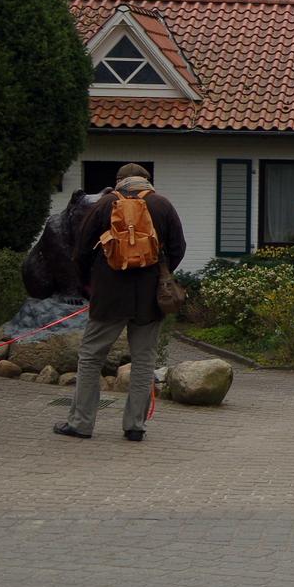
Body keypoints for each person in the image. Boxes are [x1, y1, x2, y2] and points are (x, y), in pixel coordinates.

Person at [55, 163, 185, 442]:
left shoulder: (106, 204)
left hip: (109, 295)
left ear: (119, 181)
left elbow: (80, 251)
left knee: (91, 358)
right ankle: (135, 426)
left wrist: (89, 285)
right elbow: (178, 248)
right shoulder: (162, 205)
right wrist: (160, 273)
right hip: (150, 299)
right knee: (143, 361)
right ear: (148, 181)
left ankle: (81, 423)